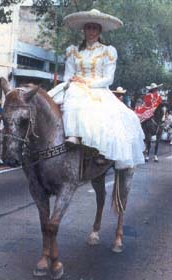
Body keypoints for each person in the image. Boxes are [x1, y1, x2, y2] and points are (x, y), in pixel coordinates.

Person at [48, 9, 145, 169]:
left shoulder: (107, 51)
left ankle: (99, 149)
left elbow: (109, 78)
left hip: (97, 88)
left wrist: (87, 84)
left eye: (95, 28)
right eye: (88, 28)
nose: (91, 31)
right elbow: (68, 75)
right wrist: (70, 82)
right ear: (84, 30)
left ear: (99, 31)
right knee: (48, 103)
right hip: (75, 86)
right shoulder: (73, 50)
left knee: (105, 114)